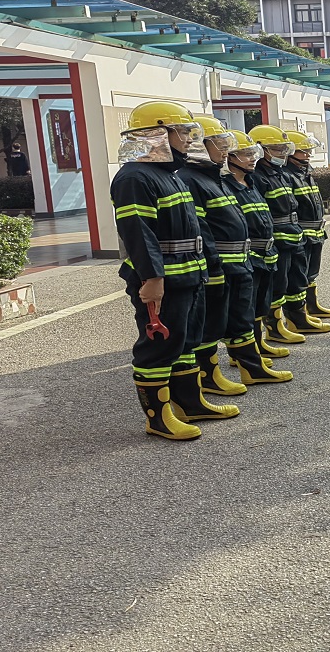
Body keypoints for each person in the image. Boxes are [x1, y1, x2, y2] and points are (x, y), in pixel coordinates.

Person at [111, 101, 239, 442]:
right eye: (181, 132)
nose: (187, 139)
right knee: (159, 348)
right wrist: (152, 279)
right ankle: (158, 418)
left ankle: (190, 404)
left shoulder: (168, 174)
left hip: (188, 275)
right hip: (163, 281)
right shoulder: (135, 177)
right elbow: (138, 233)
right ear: (157, 133)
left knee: (186, 342)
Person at [187, 117, 292, 389]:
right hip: (222, 266)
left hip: (241, 263)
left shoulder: (213, 178)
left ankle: (251, 367)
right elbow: (202, 230)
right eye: (219, 145)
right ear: (200, 146)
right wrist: (214, 268)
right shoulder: (193, 180)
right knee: (212, 324)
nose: (224, 151)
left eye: (226, 146)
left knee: (241, 317)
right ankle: (210, 376)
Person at [247, 125, 327, 343]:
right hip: (278, 240)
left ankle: (298, 317)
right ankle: (275, 327)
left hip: (294, 236)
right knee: (277, 286)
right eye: (277, 149)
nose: (282, 154)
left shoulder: (279, 173)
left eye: (284, 149)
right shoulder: (258, 177)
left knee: (297, 278)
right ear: (261, 150)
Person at [224, 130, 294, 364]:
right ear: (230, 157)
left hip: (265, 254)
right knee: (244, 308)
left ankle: (258, 343)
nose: (252, 158)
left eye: (252, 153)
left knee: (259, 304)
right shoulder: (227, 185)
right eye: (245, 154)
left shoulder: (251, 181)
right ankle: (241, 354)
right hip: (247, 256)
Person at [286, 130, 330, 322]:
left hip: (316, 232)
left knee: (311, 272)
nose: (307, 154)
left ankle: (312, 306)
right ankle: (298, 314)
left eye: (309, 150)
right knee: (298, 276)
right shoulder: (288, 175)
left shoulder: (306, 173)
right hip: (302, 234)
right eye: (303, 151)